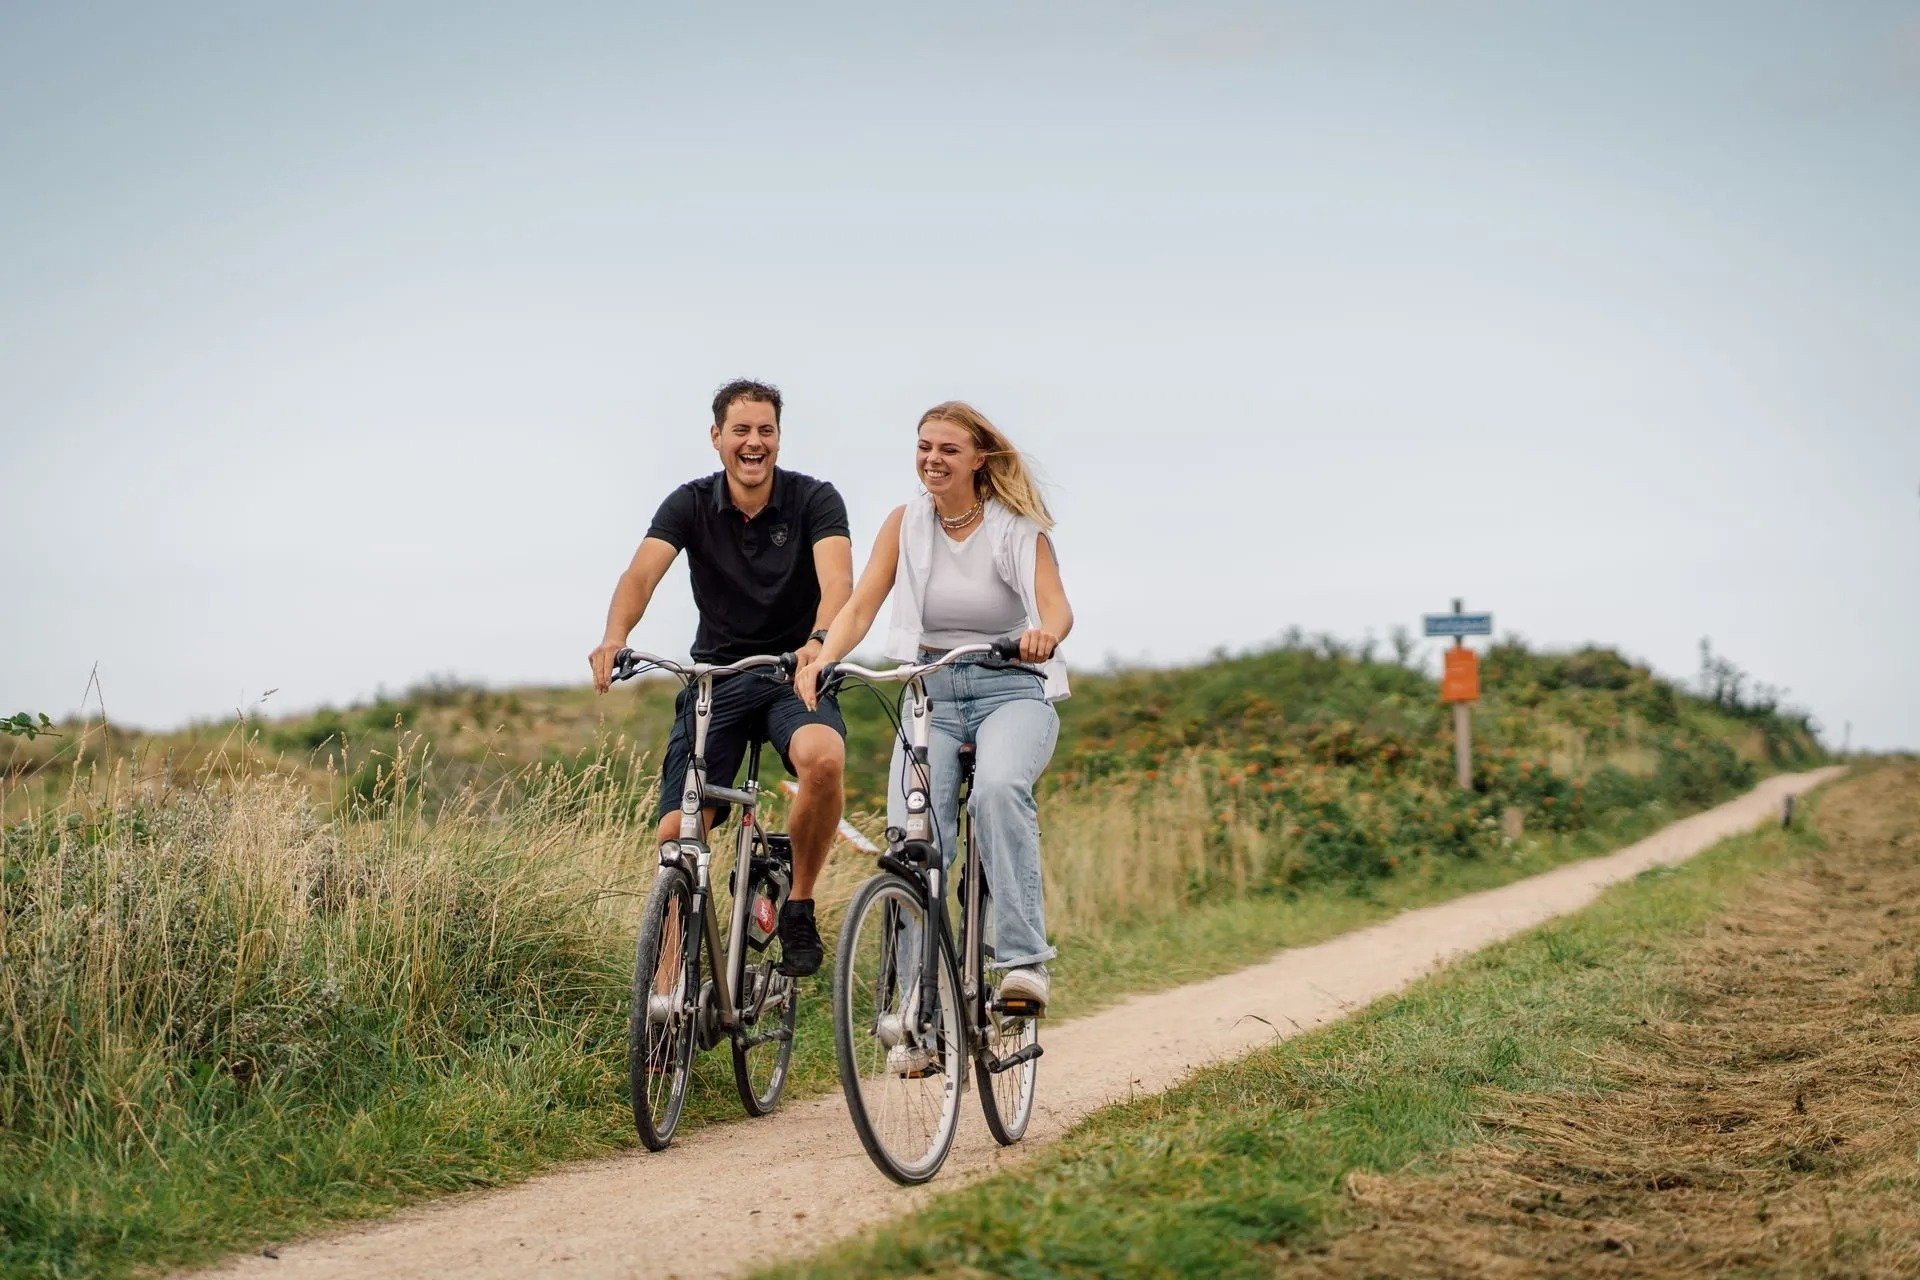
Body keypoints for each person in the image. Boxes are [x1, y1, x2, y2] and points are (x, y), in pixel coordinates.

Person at [796, 400, 1071, 1011]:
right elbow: (862, 607)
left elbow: (1057, 609)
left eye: (948, 448)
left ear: (980, 458)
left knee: (999, 791)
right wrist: (823, 656)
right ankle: (917, 1007)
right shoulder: (906, 523)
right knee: (914, 839)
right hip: (931, 695)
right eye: (924, 446)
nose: (933, 459)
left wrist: (1042, 635)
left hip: (1011, 688)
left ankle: (1022, 964)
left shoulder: (1015, 528)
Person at [589, 379, 853, 977]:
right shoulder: (689, 503)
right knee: (676, 835)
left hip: (796, 672)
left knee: (824, 759)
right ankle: (667, 1003)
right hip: (718, 679)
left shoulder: (816, 500)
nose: (753, 442)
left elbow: (838, 582)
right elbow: (640, 576)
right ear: (717, 439)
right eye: (741, 431)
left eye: (765, 430)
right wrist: (615, 636)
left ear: (779, 438)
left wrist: (817, 644)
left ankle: (800, 905)